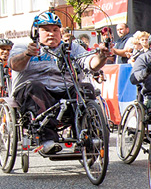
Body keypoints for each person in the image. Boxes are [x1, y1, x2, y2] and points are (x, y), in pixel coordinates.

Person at [8, 12, 110, 155]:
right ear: (35, 32)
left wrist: (102, 56)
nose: (51, 34)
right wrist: (27, 54)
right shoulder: (24, 46)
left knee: (85, 88)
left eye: (55, 30)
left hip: (64, 91)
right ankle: (47, 139)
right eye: (46, 30)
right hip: (33, 92)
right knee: (35, 86)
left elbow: (91, 63)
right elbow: (14, 65)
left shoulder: (72, 48)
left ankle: (87, 136)